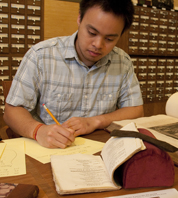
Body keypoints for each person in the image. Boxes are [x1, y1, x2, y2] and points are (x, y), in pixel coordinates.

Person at [3, 0, 144, 149]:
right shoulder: (41, 56)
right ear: (79, 19)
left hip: (100, 150)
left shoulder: (122, 62)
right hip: (49, 150)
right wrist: (38, 130)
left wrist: (94, 121)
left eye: (109, 39)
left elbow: (135, 109)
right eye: (92, 33)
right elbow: (11, 111)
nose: (97, 44)